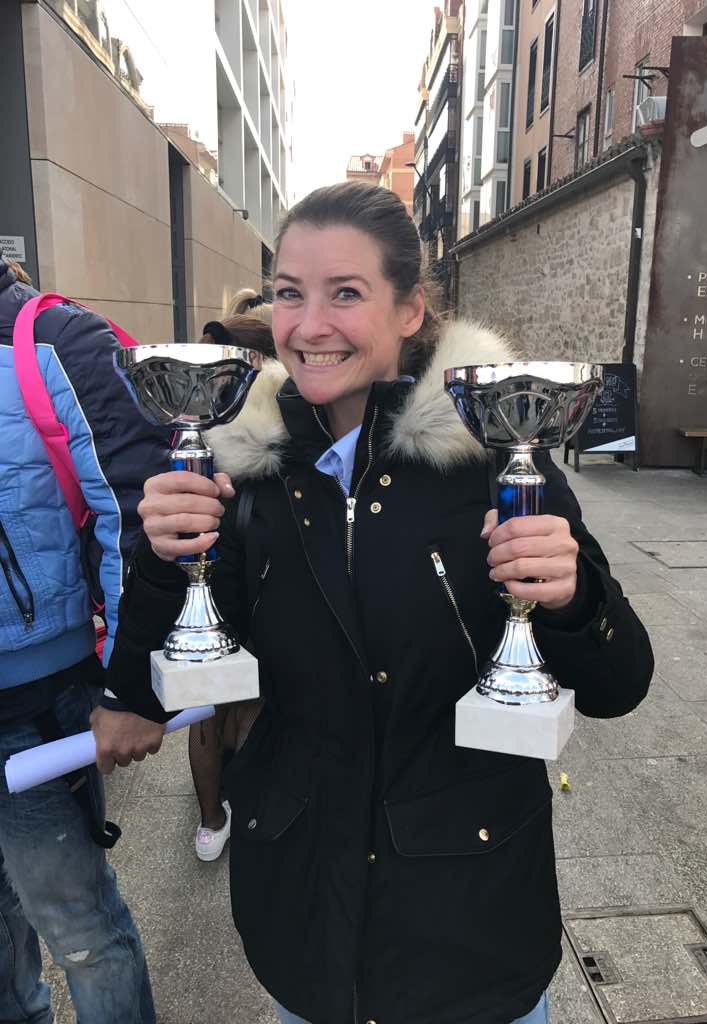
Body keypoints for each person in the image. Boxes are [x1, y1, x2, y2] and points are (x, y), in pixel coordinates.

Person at [100, 182, 654, 1024]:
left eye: (346, 293)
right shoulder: (248, 464)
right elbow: (184, 667)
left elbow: (620, 683)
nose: (309, 325)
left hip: (473, 927)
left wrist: (573, 598)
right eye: (290, 293)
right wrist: (164, 555)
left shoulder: (496, 458)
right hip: (304, 919)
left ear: (409, 310)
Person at [0, 254, 167, 1024]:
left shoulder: (57, 341)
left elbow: (137, 516)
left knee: (81, 933)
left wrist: (129, 688)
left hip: (34, 704)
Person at [188, 309, 277, 861]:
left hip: (213, 570)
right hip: (253, 570)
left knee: (211, 706)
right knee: (246, 702)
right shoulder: (282, 414)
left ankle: (211, 821)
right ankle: (237, 812)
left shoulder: (203, 414)